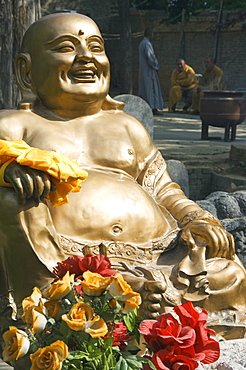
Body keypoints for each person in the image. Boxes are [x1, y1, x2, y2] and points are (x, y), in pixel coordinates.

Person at [0, 13, 245, 332]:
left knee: (229, 272)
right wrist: (9, 171)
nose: (85, 57)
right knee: (10, 202)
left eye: (95, 47)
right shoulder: (15, 124)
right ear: (26, 70)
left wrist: (197, 220)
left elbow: (164, 188)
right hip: (66, 261)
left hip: (159, 256)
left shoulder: (128, 126)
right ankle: (71, 310)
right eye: (66, 47)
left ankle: (133, 302)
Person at [138, 27, 164, 115]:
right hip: (149, 71)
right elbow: (151, 58)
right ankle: (153, 107)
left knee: (145, 89)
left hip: (144, 71)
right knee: (151, 89)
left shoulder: (142, 43)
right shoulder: (147, 44)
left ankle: (145, 107)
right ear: (150, 35)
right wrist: (156, 66)